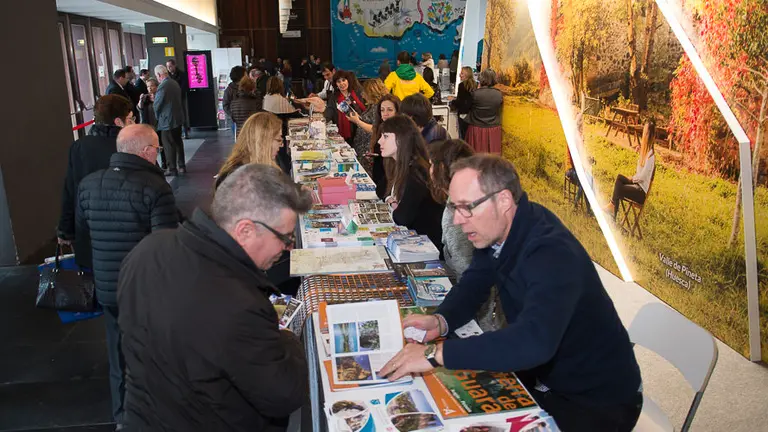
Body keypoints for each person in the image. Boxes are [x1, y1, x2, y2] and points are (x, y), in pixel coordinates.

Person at [379, 154, 643, 431]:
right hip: (545, 377)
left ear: (503, 200)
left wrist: (436, 354)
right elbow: (475, 282)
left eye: (466, 207)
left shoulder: (552, 252)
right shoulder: (501, 228)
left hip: (597, 398)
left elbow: (532, 341)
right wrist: (440, 320)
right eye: (454, 207)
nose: (458, 219)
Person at [118, 164, 312, 431]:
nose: (288, 247)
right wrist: (289, 339)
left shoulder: (147, 250)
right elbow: (284, 395)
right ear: (245, 230)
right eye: (286, 237)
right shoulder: (240, 305)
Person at [76, 124, 179, 430]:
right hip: (147, 286)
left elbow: (83, 230)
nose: (158, 154)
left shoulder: (88, 184)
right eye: (158, 149)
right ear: (147, 151)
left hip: (108, 286)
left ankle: (123, 415)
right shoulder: (156, 187)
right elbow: (166, 241)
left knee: (117, 351)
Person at [57, 95, 135, 267]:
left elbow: (70, 190)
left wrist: (65, 230)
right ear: (118, 121)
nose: (133, 123)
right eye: (130, 119)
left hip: (89, 228)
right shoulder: (130, 146)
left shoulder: (79, 147)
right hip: (129, 231)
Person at [378, 115, 444, 254]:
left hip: (428, 247)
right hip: (413, 240)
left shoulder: (417, 172)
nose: (379, 141)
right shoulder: (400, 163)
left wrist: (392, 204)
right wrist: (391, 201)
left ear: (401, 139)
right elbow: (381, 189)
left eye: (385, 136)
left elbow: (402, 217)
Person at [215, 111, 284, 188]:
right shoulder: (239, 179)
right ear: (264, 141)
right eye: (278, 140)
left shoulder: (254, 165)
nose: (281, 145)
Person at [604, 121, 656, 218]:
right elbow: (639, 171)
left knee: (619, 188)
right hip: (636, 185)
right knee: (619, 178)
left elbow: (642, 177)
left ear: (648, 135)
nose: (643, 134)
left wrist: (632, 179)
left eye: (645, 132)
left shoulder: (651, 156)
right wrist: (641, 154)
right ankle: (612, 209)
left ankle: (612, 210)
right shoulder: (645, 152)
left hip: (640, 192)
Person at [348, 78, 389, 175]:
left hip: (368, 147)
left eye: (364, 92)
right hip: (363, 146)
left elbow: (374, 128)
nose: (362, 95)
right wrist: (358, 118)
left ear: (371, 92)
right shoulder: (373, 105)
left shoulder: (378, 108)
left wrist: (358, 121)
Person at [154, 64, 186, 176]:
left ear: (159, 75)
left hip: (167, 121)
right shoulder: (174, 82)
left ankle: (172, 168)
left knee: (168, 145)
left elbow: (157, 105)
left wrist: (156, 117)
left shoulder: (163, 86)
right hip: (178, 118)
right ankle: (181, 165)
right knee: (178, 142)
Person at [369, 94, 401, 199]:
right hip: (380, 176)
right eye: (382, 110)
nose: (385, 114)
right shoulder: (380, 127)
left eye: (389, 110)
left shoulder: (400, 133)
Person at [465, 69, 503, 155]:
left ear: (481, 78)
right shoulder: (499, 94)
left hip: (476, 129)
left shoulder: (475, 94)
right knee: (492, 158)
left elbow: (467, 108)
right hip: (494, 130)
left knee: (475, 158)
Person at [324, 70, 365, 145]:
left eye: (343, 80)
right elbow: (329, 112)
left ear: (348, 81)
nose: (342, 83)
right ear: (336, 84)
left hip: (360, 129)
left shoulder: (358, 93)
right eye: (338, 82)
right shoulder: (334, 97)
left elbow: (365, 109)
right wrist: (321, 122)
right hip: (343, 132)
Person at [138, 78, 166, 169]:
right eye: (148, 86)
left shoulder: (160, 97)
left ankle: (164, 163)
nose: (150, 88)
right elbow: (140, 108)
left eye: (152, 86)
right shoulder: (145, 98)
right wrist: (140, 100)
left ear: (157, 87)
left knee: (162, 145)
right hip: (149, 126)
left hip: (160, 125)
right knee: (150, 147)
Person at [448, 66, 477, 139]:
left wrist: (452, 102)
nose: (460, 75)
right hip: (473, 114)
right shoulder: (476, 84)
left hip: (463, 114)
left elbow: (460, 102)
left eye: (462, 73)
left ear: (467, 75)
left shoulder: (462, 85)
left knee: (463, 136)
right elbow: (467, 98)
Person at [165, 59, 190, 138]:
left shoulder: (182, 74)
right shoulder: (167, 76)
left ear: (174, 65)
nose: (169, 68)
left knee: (182, 113)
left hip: (180, 97)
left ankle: (185, 131)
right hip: (170, 99)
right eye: (167, 67)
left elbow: (184, 86)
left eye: (170, 66)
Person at [223, 65, 247, 136]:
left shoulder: (247, 87)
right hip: (236, 121)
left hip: (248, 118)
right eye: (245, 74)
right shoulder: (229, 90)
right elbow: (225, 105)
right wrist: (233, 116)